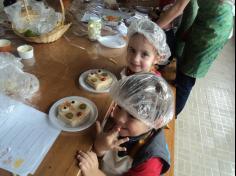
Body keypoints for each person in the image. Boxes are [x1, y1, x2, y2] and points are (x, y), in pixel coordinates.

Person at [76, 73, 174, 176]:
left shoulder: (150, 163)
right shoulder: (124, 126)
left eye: (132, 115)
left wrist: (94, 173)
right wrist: (100, 148)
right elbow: (102, 151)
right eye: (119, 106)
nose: (119, 118)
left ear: (155, 122)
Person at [156, 0, 234, 115]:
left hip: (215, 29)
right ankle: (177, 84)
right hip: (204, 21)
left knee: (187, 77)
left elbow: (178, 8)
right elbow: (190, 8)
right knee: (184, 63)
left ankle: (169, 116)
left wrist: (152, 29)